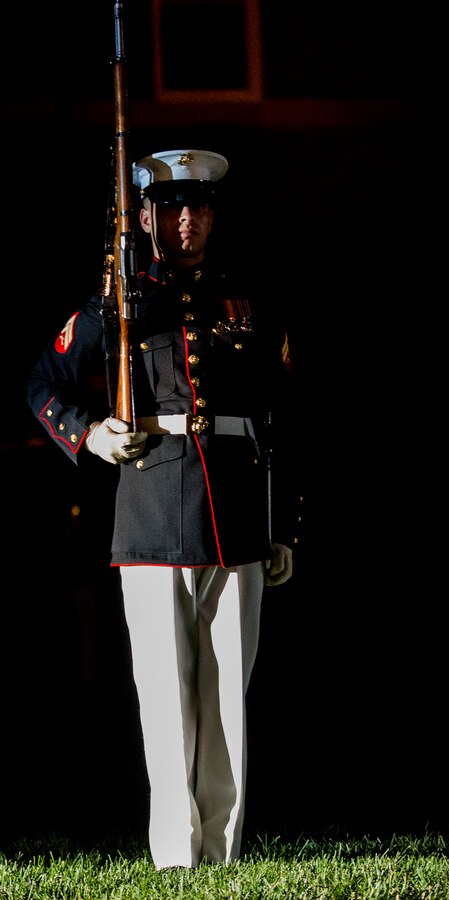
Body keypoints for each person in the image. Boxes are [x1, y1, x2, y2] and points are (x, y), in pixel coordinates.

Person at [25, 148, 298, 869]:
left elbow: (278, 412)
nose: (187, 221)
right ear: (145, 216)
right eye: (172, 207)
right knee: (168, 699)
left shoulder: (242, 298)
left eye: (199, 207)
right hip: (151, 509)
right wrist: (89, 433)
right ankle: (180, 858)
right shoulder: (119, 303)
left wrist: (281, 524)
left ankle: (223, 856)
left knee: (227, 702)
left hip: (235, 512)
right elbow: (44, 380)